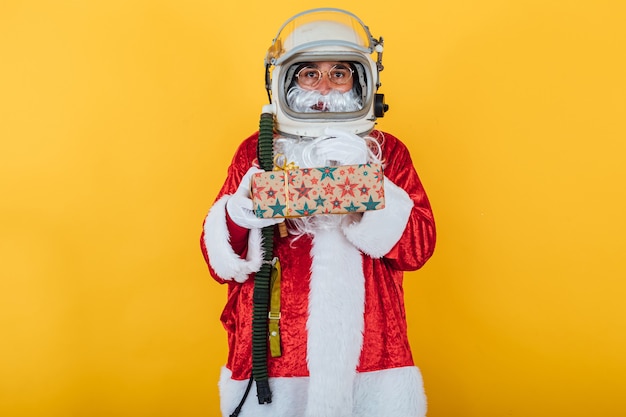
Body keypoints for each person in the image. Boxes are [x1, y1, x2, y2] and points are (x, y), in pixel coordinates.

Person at [200, 8, 436, 417]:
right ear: (286, 81)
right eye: (310, 73)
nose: (325, 86)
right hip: (276, 356)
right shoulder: (256, 149)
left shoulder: (387, 151)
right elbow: (218, 264)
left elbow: (418, 248)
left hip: (371, 356)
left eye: (339, 73)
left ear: (361, 80)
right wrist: (237, 215)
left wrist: (369, 181)